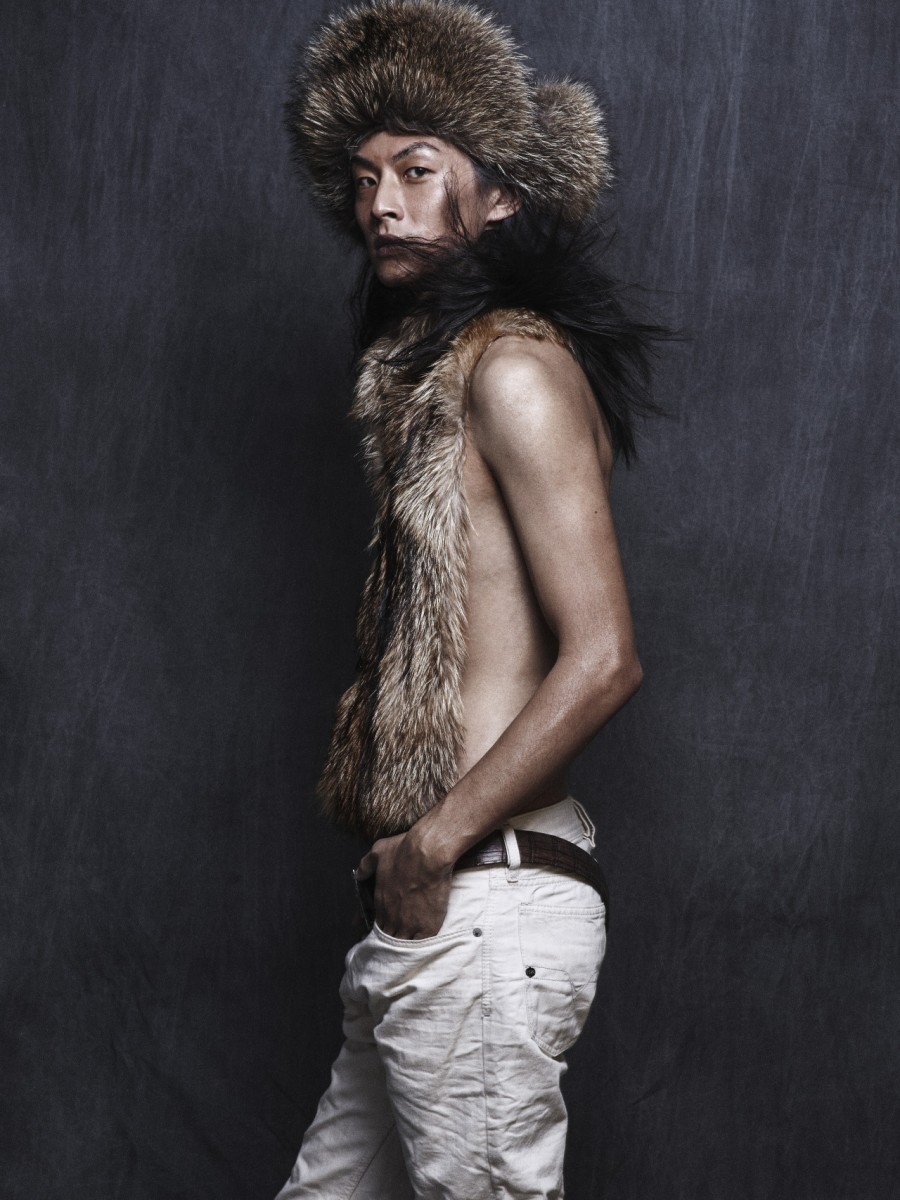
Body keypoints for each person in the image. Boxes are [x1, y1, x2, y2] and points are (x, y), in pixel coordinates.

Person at [278, 2, 675, 1196]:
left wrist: (436, 841)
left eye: (416, 169)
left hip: (485, 902)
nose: (381, 203)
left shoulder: (514, 369)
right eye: (364, 178)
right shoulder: (435, 383)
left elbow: (605, 657)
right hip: (434, 914)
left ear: (497, 194)